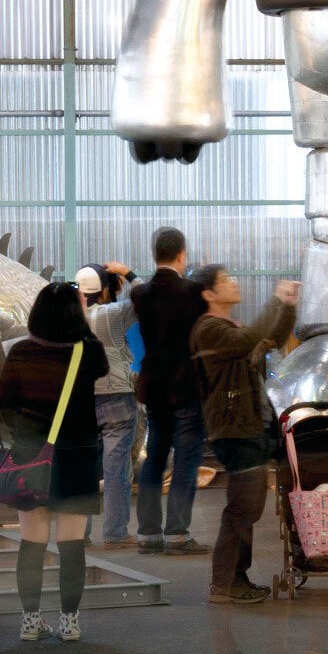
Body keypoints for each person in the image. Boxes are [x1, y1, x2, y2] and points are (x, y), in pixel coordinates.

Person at [0, 280, 106, 642]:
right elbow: (102, 368)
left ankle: (30, 621)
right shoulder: (88, 350)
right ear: (76, 313)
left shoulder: (20, 351)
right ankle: (69, 623)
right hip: (77, 455)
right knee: (71, 542)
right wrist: (83, 322)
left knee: (32, 541)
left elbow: (5, 403)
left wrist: (25, 434)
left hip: (31, 453)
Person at [190, 263, 298, 604]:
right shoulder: (208, 328)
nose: (233, 283)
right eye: (225, 280)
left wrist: (288, 307)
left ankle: (236, 578)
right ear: (208, 294)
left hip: (247, 423)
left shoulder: (227, 327)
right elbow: (250, 339)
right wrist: (275, 300)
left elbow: (271, 340)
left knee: (247, 506)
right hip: (234, 426)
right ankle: (224, 583)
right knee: (243, 507)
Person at [127, 227, 208, 555]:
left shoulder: (140, 295)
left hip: (154, 388)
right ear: (182, 255)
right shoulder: (194, 292)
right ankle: (177, 534)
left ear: (154, 255)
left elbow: (138, 289)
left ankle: (147, 535)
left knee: (154, 459)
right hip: (185, 386)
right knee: (186, 461)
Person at [78, 264, 141, 550]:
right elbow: (146, 297)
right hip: (116, 395)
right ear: (105, 289)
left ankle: (78, 533)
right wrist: (128, 274)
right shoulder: (114, 314)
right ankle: (115, 534)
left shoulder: (68, 316)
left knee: (83, 467)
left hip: (80, 398)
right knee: (116, 468)